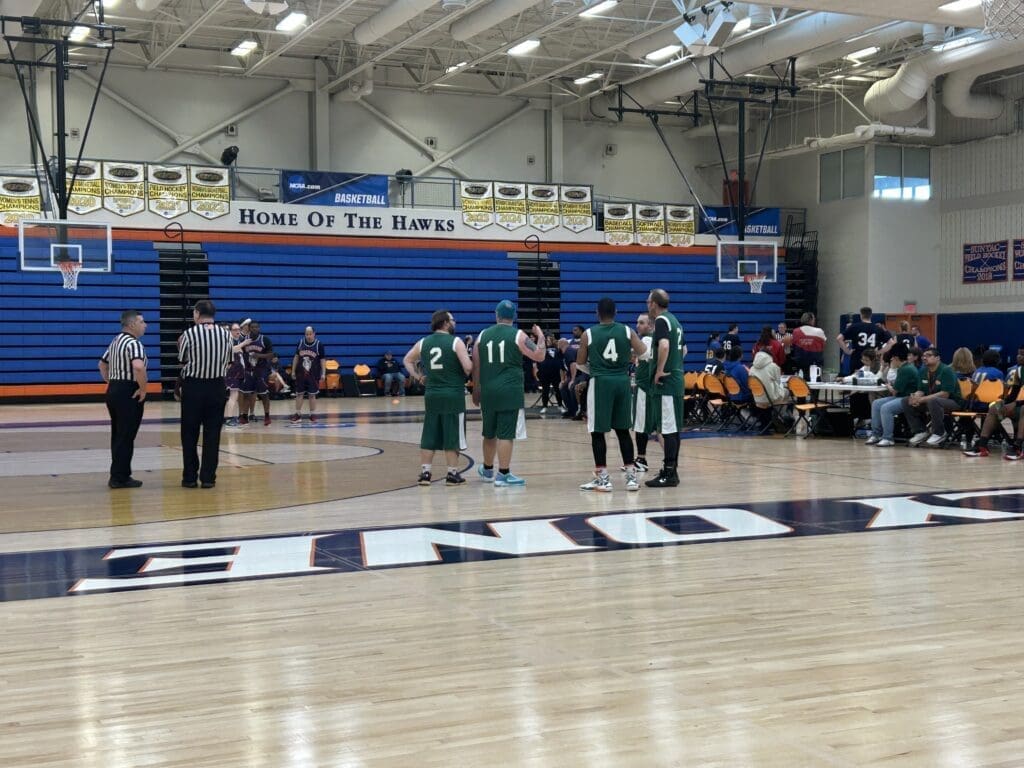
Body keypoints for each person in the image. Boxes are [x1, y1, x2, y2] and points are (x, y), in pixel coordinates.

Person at [577, 297, 648, 492]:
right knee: (623, 430)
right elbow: (643, 352)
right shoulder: (627, 330)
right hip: (622, 382)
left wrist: (596, 370)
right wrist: (629, 357)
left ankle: (603, 478)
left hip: (601, 383)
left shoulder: (588, 334)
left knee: (598, 431)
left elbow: (580, 362)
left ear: (597, 313)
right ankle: (632, 477)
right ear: (616, 312)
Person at [472, 300, 545, 486]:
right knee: (506, 434)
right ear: (514, 317)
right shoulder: (518, 335)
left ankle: (488, 470)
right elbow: (539, 355)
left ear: (496, 315)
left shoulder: (482, 335)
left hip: (487, 391)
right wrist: (541, 336)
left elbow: (476, 362)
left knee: (489, 433)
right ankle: (503, 474)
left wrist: (476, 388)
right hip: (509, 391)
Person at [404, 309, 472, 486]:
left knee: (430, 433)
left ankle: (425, 474)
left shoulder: (423, 342)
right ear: (445, 323)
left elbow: (407, 360)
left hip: (432, 394)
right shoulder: (456, 342)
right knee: (452, 435)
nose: (455, 323)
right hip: (453, 395)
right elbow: (467, 368)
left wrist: (419, 377)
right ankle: (452, 474)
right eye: (452, 320)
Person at [178, 299, 233, 488]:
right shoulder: (226, 335)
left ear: (197, 313)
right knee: (212, 434)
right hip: (216, 386)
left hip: (194, 387)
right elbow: (229, 361)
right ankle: (208, 478)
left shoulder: (189, 334)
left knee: (189, 434)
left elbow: (182, 359)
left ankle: (190, 478)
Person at [99, 310, 148, 489]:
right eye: (142, 322)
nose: (145, 325)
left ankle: (120, 473)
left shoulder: (116, 341)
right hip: (128, 391)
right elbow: (138, 367)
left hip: (114, 390)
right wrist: (143, 389)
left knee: (119, 434)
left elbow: (102, 364)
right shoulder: (134, 343)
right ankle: (119, 477)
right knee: (126, 436)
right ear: (132, 324)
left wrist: (112, 381)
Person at [644, 289, 686, 488]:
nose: (646, 304)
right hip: (676, 379)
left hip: (667, 383)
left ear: (654, 303)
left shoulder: (662, 321)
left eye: (648, 301)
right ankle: (672, 471)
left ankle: (669, 472)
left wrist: (660, 370)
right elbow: (683, 350)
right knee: (674, 429)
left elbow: (664, 346)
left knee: (668, 429)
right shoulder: (675, 321)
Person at [964, 346, 1024, 459]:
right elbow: (1014, 394)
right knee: (994, 407)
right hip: (1019, 405)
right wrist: (1004, 402)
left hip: (1021, 406)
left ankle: (1019, 447)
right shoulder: (1019, 371)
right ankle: (982, 446)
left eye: (1023, 354)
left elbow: (1016, 402)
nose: (1019, 357)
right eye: (1019, 354)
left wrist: (1016, 404)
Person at [901, 347, 964, 448]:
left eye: (929, 355)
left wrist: (922, 399)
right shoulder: (923, 371)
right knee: (906, 400)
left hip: (954, 402)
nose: (925, 358)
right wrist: (915, 397)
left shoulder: (946, 370)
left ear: (937, 358)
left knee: (933, 401)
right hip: (933, 402)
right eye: (924, 356)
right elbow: (921, 390)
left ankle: (939, 433)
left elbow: (945, 394)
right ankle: (920, 431)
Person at [866, 345, 917, 447]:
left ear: (896, 358)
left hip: (908, 398)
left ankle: (888, 438)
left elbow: (894, 392)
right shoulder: (905, 367)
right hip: (901, 396)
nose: (891, 359)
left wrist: (888, 385)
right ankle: (876, 434)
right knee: (876, 403)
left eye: (892, 357)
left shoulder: (905, 369)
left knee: (886, 408)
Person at [631, 313, 655, 473]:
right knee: (648, 426)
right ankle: (641, 458)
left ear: (651, 326)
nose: (638, 325)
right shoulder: (654, 340)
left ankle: (641, 459)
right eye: (637, 322)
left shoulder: (646, 340)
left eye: (641, 323)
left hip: (644, 388)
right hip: (649, 387)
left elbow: (631, 353)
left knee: (641, 425)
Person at [837, 306, 892, 374]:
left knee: (855, 379)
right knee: (872, 379)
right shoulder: (878, 329)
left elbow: (839, 338)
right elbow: (891, 343)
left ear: (861, 315)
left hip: (857, 358)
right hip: (871, 359)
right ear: (871, 315)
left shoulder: (854, 327)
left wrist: (847, 351)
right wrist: (878, 352)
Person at [240, 320, 274, 426]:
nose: (255, 329)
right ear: (249, 329)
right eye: (253, 327)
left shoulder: (265, 340)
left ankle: (267, 416)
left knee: (264, 395)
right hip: (248, 370)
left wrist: (259, 356)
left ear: (259, 328)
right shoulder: (244, 340)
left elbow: (271, 355)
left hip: (261, 370)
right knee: (246, 394)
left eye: (257, 327)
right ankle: (244, 416)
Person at [291, 326, 326, 422]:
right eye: (307, 334)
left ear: (314, 333)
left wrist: (323, 373)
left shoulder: (319, 345)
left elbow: (322, 360)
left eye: (310, 334)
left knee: (312, 395)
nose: (308, 336)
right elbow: (296, 358)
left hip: (313, 375)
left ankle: (312, 414)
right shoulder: (300, 343)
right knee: (299, 394)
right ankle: (298, 414)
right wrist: (293, 371)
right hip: (300, 374)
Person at [224, 321, 250, 428]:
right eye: (235, 330)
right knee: (233, 396)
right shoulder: (229, 340)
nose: (237, 331)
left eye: (238, 329)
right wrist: (243, 344)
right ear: (230, 331)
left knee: (234, 396)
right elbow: (231, 350)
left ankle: (228, 417)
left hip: (238, 372)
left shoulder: (238, 340)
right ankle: (229, 419)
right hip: (232, 372)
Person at [791, 312, 826, 379]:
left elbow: (794, 345)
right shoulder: (819, 331)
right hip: (815, 362)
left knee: (802, 383)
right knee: (815, 382)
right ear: (811, 320)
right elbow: (823, 345)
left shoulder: (796, 331)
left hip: (800, 362)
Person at [536, 334, 562, 414]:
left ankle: (560, 405)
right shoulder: (542, 349)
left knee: (558, 390)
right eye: (546, 340)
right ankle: (544, 406)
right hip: (545, 373)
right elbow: (537, 362)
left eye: (550, 339)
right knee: (545, 390)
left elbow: (561, 360)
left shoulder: (558, 349)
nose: (548, 341)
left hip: (556, 373)